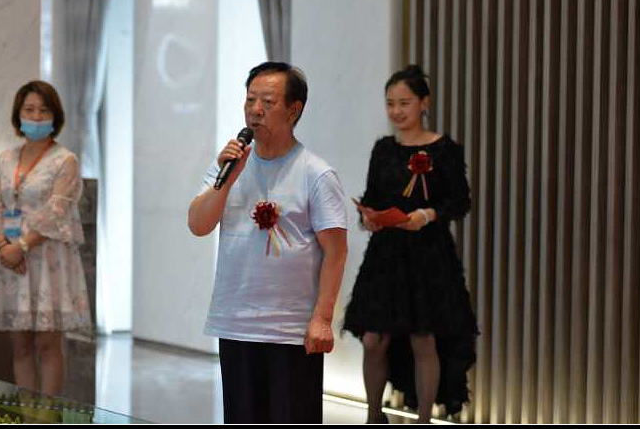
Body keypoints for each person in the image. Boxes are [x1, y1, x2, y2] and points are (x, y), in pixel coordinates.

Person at [188, 62, 349, 424]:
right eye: (250, 100)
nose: (255, 110)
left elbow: (336, 253)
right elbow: (198, 224)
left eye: (268, 102)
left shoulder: (316, 173)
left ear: (294, 110)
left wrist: (322, 319)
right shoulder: (228, 166)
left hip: (290, 332)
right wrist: (227, 181)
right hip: (235, 324)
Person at [343, 65, 478, 423]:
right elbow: (372, 196)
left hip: (427, 255)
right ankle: (375, 415)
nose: (397, 111)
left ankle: (423, 419)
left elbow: (459, 201)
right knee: (373, 339)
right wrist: (367, 218)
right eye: (390, 103)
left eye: (404, 103)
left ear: (424, 103)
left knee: (423, 338)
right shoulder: (384, 149)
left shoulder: (444, 149)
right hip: (385, 255)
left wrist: (426, 215)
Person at [0, 80, 91, 396]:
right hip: (9, 259)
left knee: (47, 343)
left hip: (47, 259)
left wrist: (22, 246)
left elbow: (58, 211)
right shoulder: (6, 159)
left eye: (44, 110)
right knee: (21, 344)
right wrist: (5, 247)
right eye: (29, 110)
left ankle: (47, 415)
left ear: (55, 116)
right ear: (18, 114)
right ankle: (26, 414)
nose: (36, 116)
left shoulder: (65, 160)